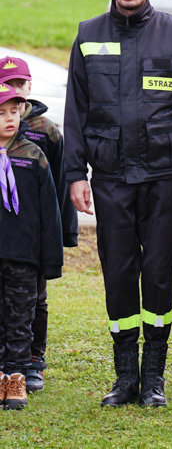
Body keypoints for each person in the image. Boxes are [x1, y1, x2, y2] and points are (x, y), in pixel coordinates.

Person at [64, 0, 172, 408]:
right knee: (120, 273)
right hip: (110, 177)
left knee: (159, 273)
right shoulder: (88, 35)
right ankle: (125, 377)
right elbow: (76, 112)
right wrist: (75, 174)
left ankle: (154, 380)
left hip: (164, 176)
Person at [0, 57, 77, 393]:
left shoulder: (45, 134)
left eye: (20, 84)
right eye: (8, 85)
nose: (15, 93)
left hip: (31, 239)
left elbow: (58, 186)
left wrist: (62, 236)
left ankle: (32, 361)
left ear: (29, 88)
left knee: (34, 300)